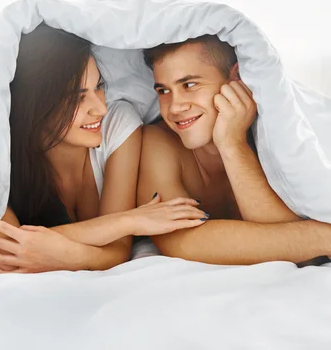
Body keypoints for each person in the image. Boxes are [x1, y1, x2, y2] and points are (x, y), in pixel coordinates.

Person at [0, 23, 209, 273]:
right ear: (35, 105)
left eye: (98, 87)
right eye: (77, 97)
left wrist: (57, 254)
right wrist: (130, 220)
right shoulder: (1, 154)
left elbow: (118, 251)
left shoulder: (118, 125)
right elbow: (7, 249)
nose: (100, 108)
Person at [137, 35, 331, 265]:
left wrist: (232, 143)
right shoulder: (157, 143)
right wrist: (323, 237)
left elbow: (298, 256)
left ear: (236, 77)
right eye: (163, 91)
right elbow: (180, 240)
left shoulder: (275, 132)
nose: (175, 107)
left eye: (189, 85)